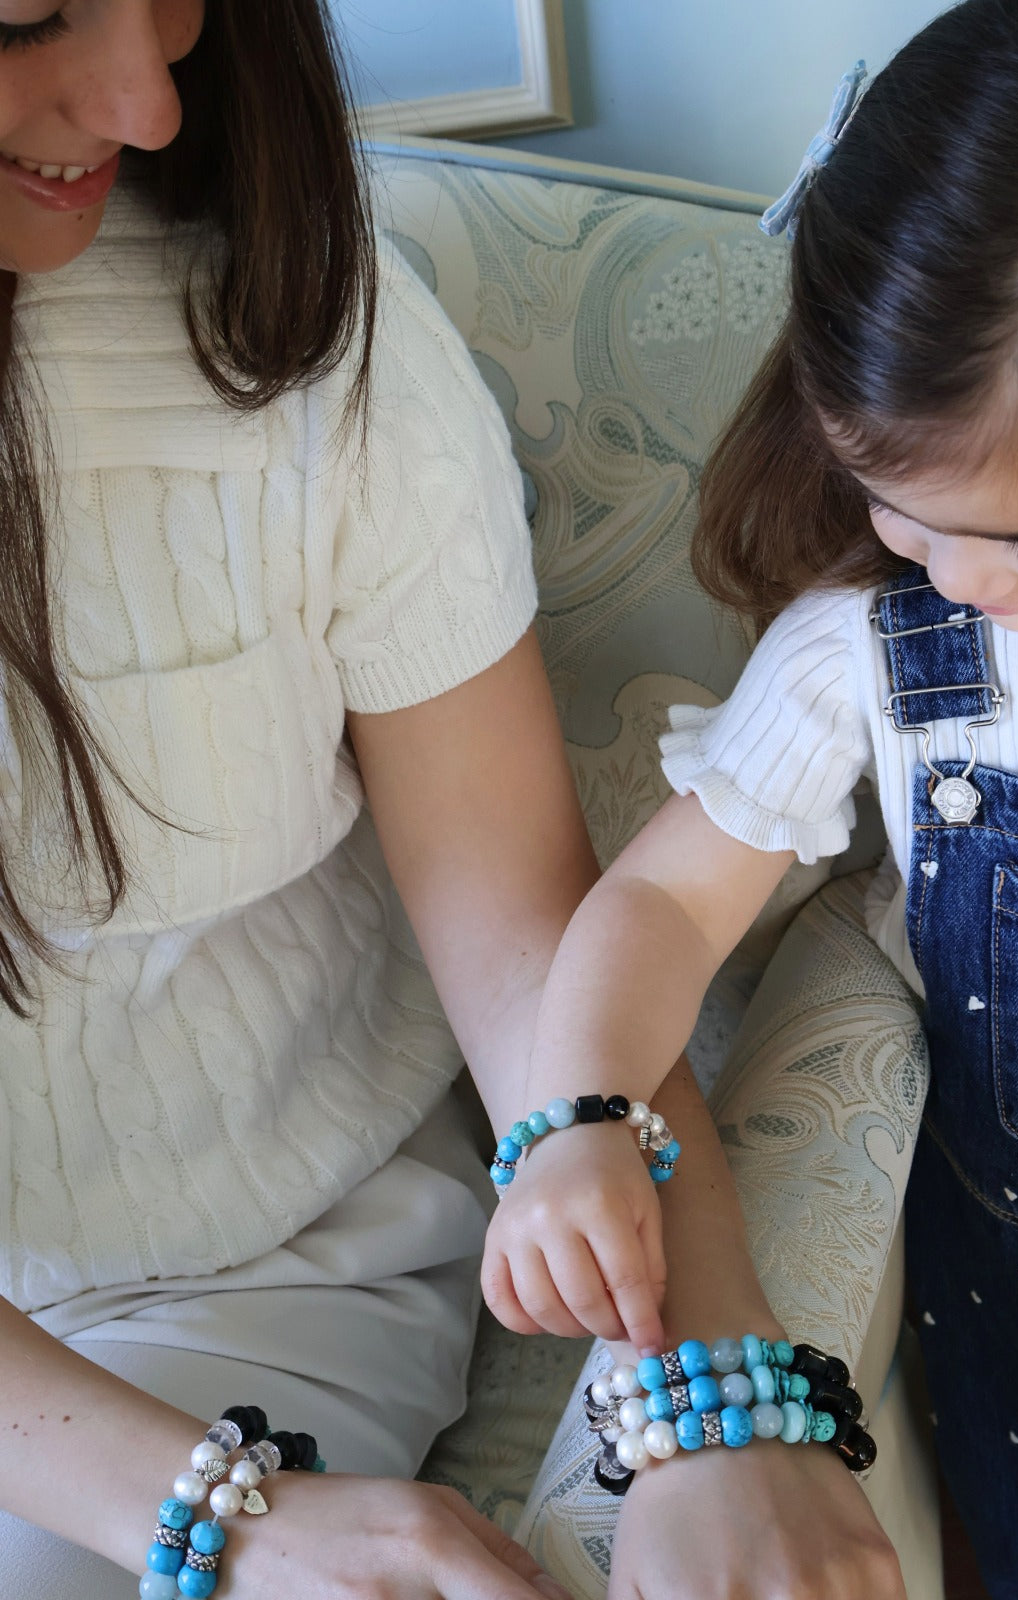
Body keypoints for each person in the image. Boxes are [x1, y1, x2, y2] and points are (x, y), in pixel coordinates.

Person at [0, 2, 613, 1595]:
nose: (143, 102)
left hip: (266, 1269)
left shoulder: (311, 339)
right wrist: (227, 1513)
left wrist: (719, 1398)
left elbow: (525, 932)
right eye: (27, 17)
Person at [483, 2, 1018, 1595]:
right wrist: (581, 1116)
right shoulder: (879, 654)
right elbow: (664, 902)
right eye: (897, 506)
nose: (960, 577)